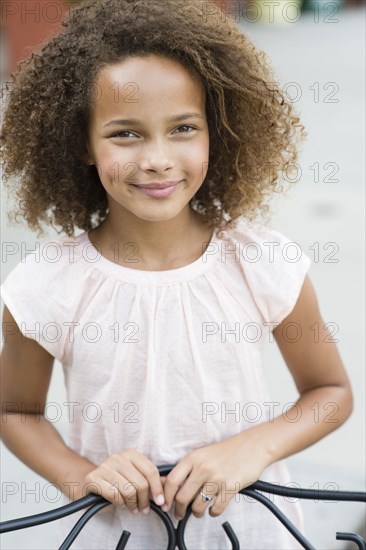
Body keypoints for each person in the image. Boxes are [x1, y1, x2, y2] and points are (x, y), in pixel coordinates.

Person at [0, 0, 353, 548]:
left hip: (252, 533)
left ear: (218, 131)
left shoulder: (261, 262)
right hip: (116, 537)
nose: (159, 159)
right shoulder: (46, 285)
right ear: (81, 145)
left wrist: (252, 447)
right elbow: (16, 410)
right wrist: (82, 475)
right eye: (125, 134)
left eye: (183, 128)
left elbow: (330, 392)